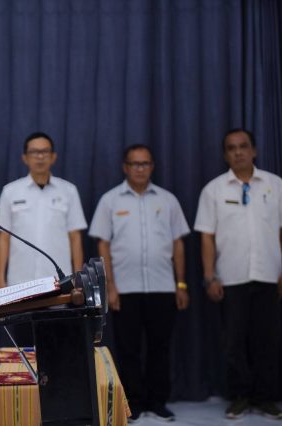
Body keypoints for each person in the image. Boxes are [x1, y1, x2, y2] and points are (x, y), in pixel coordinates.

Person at [89, 144, 189, 422]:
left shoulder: (168, 200)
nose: (140, 169)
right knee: (128, 350)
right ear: (125, 167)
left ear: (152, 166)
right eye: (135, 164)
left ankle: (158, 402)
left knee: (160, 348)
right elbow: (103, 244)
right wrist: (110, 287)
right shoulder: (110, 200)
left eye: (145, 163)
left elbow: (178, 243)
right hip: (125, 289)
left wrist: (181, 284)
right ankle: (133, 402)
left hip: (163, 287)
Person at [194, 128, 282, 420]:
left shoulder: (275, 185)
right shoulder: (214, 190)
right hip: (230, 278)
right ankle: (241, 396)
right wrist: (210, 276)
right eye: (231, 148)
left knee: (267, 340)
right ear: (225, 155)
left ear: (254, 150)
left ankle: (266, 398)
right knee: (233, 342)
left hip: (268, 275)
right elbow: (207, 237)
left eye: (243, 146)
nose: (238, 152)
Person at [0, 132, 87, 345]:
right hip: (21, 283)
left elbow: (75, 237)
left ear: (53, 157)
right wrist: (0, 279)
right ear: (25, 157)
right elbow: (3, 238)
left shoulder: (68, 191)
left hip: (60, 283)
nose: (40, 157)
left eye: (45, 152)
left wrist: (78, 277)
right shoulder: (10, 191)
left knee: (59, 344)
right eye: (34, 152)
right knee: (25, 345)